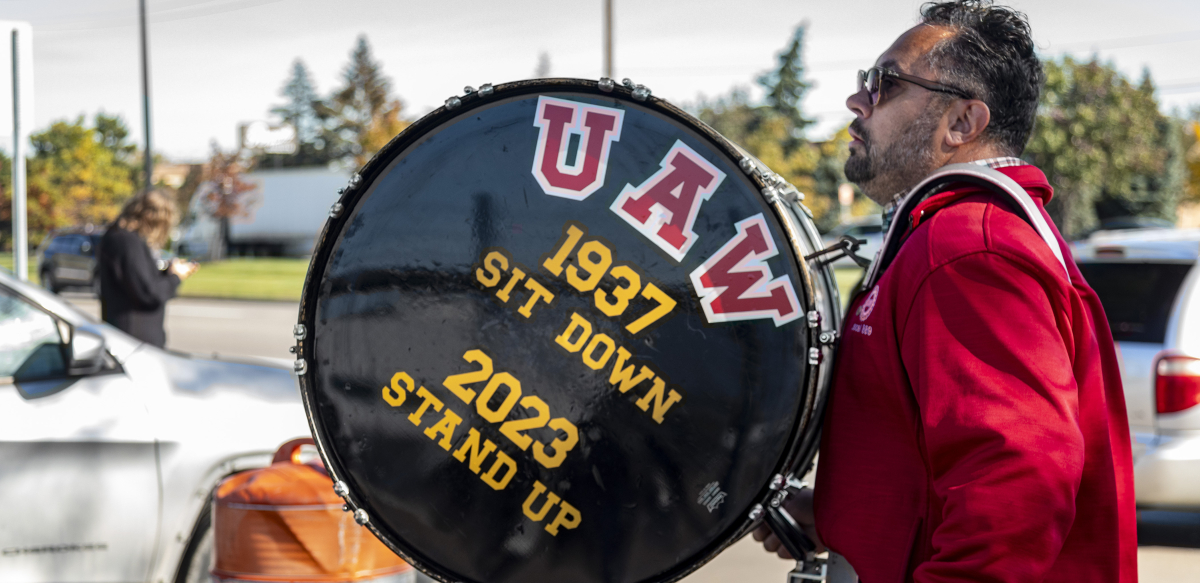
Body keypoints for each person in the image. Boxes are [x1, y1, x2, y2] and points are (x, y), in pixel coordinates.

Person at [754, 1, 1137, 581]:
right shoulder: (960, 232)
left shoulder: (968, 248)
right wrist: (843, 516)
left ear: (962, 123)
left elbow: (1018, 488)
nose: (858, 102)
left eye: (883, 83)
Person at [98, 189, 199, 348]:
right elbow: (148, 293)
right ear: (154, 219)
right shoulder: (126, 241)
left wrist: (167, 272)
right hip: (134, 343)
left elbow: (138, 279)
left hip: (134, 339)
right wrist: (175, 277)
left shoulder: (123, 238)